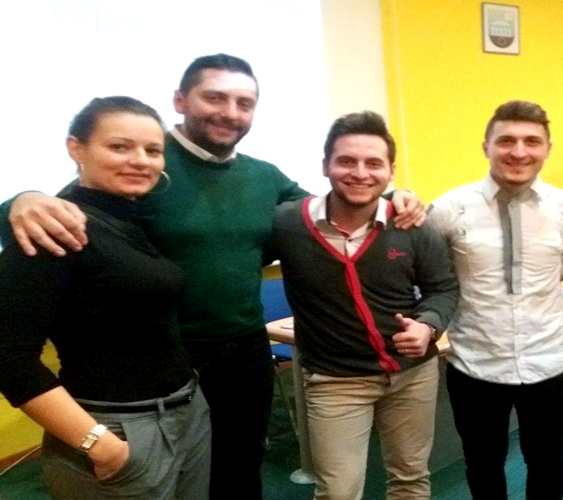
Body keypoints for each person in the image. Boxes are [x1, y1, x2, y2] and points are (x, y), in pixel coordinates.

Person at [0, 54, 424, 499]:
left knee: (238, 469)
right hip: (159, 358)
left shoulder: (262, 175)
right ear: (180, 100)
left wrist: (394, 197)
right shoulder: (145, 165)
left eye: (244, 103)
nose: (229, 112)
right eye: (215, 98)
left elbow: (328, 214)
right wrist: (20, 201)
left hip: (243, 351)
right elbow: (67, 214)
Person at [0, 97, 210, 499]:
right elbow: (8, 356)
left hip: (186, 412)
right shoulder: (52, 229)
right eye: (119, 146)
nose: (140, 160)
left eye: (152, 150)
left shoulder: (133, 218)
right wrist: (102, 445)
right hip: (117, 429)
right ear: (76, 148)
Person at [270, 111, 458, 499]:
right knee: (338, 492)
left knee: (410, 478)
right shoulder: (289, 224)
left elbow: (443, 288)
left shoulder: (411, 224)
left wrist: (428, 325)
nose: (360, 173)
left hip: (412, 375)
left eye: (373, 163)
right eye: (347, 161)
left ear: (390, 172)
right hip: (336, 380)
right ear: (325, 165)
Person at [429, 100, 563, 499]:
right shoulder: (449, 209)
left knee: (548, 462)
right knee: (482, 464)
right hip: (476, 364)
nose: (519, 151)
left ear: (547, 148)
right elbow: (431, 274)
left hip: (551, 361)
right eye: (507, 141)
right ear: (486, 146)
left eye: (532, 141)